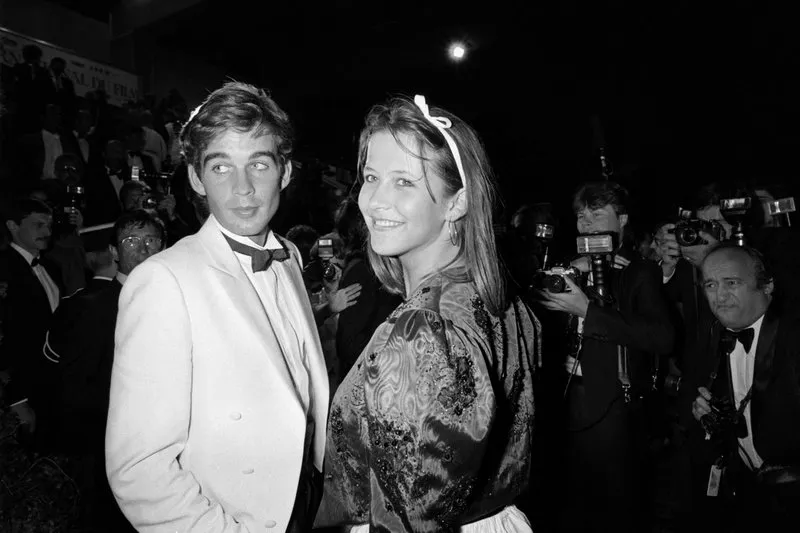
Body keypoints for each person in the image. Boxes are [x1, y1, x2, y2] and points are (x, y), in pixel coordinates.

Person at [105, 82, 329, 532]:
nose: (243, 188)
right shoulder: (164, 280)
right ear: (195, 177)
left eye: (259, 164)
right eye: (221, 166)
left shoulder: (289, 255)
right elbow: (140, 471)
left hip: (311, 503)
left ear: (285, 172)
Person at [315, 95, 539, 532]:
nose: (374, 201)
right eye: (371, 177)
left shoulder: (422, 331)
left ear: (457, 203)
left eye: (404, 182)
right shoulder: (503, 299)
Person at [537, 181, 675, 533]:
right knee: (571, 499)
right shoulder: (571, 267)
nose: (587, 223)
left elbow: (662, 338)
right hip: (566, 395)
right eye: (581, 215)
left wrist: (588, 310)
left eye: (597, 214)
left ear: (622, 219)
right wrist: (563, 275)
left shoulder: (637, 271)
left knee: (615, 502)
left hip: (613, 401)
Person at [45, 210, 164, 531]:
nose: (143, 248)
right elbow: (74, 387)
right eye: (131, 241)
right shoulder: (94, 306)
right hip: (111, 445)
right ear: (113, 251)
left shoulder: (177, 299)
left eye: (152, 240)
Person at [686, 243, 800, 532]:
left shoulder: (793, 337)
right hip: (746, 495)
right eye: (710, 284)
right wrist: (703, 413)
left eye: (732, 283)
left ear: (767, 285)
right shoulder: (712, 336)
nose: (720, 296)